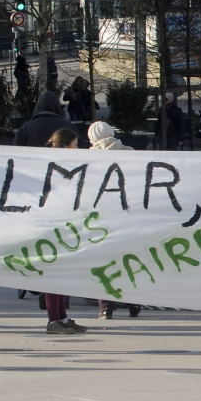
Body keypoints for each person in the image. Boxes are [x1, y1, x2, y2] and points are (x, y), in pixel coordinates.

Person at [87, 121, 140, 318]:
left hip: (101, 216)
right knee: (129, 258)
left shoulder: (88, 159)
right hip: (128, 215)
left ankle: (105, 306)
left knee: (103, 260)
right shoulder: (130, 153)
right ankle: (134, 302)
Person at [42, 128, 89, 335]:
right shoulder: (52, 165)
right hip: (52, 224)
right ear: (65, 145)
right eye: (75, 144)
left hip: (65, 223)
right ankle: (54, 320)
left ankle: (61, 317)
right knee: (52, 273)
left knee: (61, 274)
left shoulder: (66, 165)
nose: (77, 148)